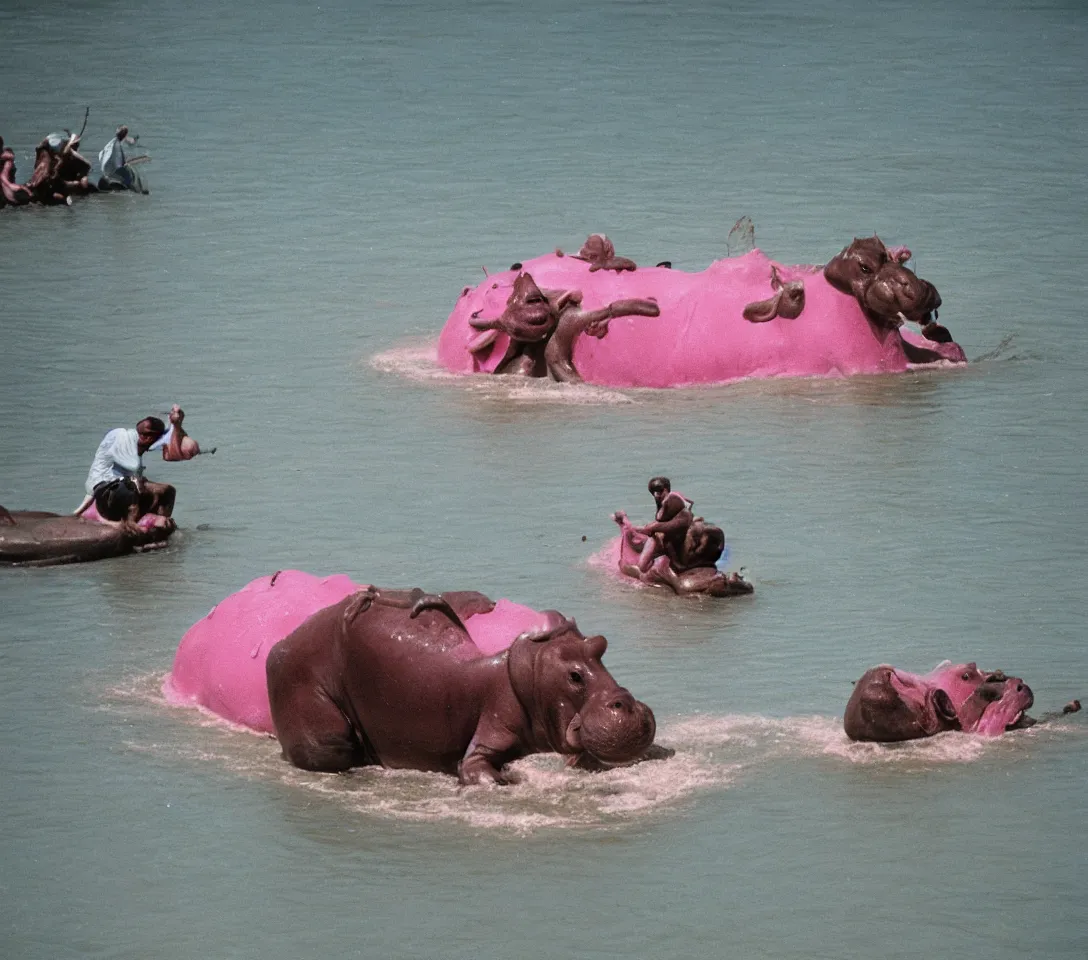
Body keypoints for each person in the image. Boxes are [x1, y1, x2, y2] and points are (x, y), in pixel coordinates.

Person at [74, 406, 207, 534]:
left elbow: (179, 453)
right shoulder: (122, 435)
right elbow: (132, 465)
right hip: (105, 488)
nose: (147, 439)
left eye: (152, 437)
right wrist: (141, 480)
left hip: (123, 485)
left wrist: (177, 425)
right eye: (145, 435)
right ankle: (131, 530)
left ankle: (158, 528)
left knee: (167, 490)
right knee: (134, 486)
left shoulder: (146, 441)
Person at [613, 476, 694, 574]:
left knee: (642, 564)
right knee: (642, 564)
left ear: (666, 489)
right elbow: (689, 503)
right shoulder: (674, 498)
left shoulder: (671, 499)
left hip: (670, 535)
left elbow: (660, 520)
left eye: (659, 491)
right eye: (653, 492)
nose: (656, 495)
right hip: (664, 535)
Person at [98, 125, 149, 192]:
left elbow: (101, 154)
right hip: (112, 171)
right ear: (125, 134)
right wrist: (126, 161)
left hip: (104, 170)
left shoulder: (111, 143)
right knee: (129, 172)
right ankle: (132, 189)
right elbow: (121, 164)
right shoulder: (117, 147)